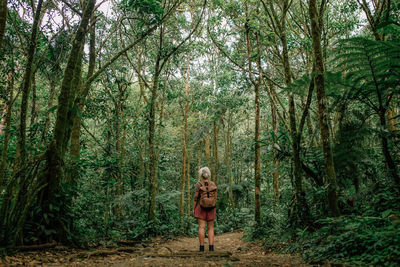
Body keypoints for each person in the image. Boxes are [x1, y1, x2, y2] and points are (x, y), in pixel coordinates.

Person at [193, 166, 217, 252]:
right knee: (210, 228)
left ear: (201, 175)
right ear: (208, 175)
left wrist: (194, 208)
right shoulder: (213, 184)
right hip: (211, 208)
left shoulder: (198, 184)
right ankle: (211, 248)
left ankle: (202, 248)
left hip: (201, 207)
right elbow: (215, 197)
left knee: (201, 227)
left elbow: (196, 198)